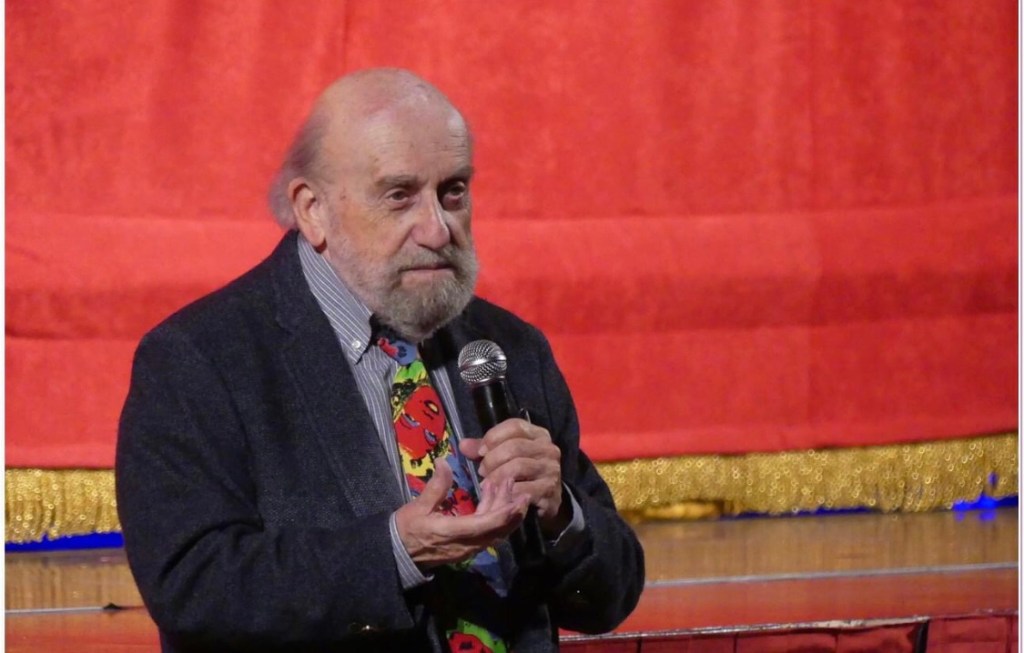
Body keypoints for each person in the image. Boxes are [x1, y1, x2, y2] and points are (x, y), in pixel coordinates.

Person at [116, 68, 644, 653]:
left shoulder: (509, 349)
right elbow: (193, 589)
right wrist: (395, 553)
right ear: (312, 210)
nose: (437, 229)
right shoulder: (198, 360)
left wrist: (562, 516)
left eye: (453, 191)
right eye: (399, 196)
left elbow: (612, 596)